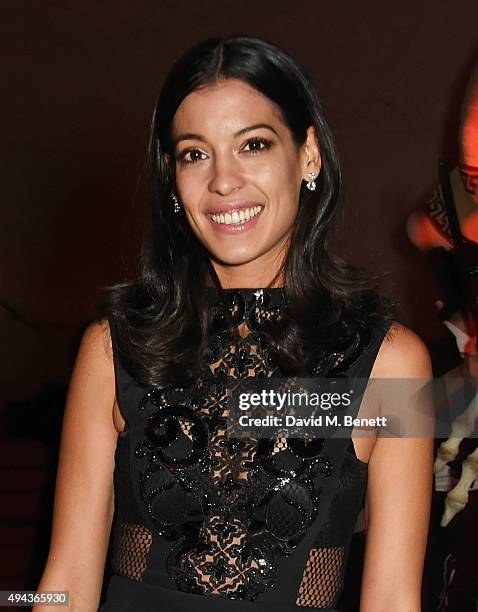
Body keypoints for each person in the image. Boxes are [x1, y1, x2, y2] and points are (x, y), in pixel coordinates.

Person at [34, 36, 434, 611]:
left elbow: (394, 599)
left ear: (309, 155)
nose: (223, 181)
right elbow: (64, 583)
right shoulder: (114, 346)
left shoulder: (393, 362)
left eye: (253, 145)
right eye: (194, 153)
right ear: (172, 181)